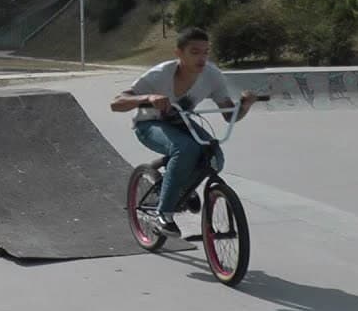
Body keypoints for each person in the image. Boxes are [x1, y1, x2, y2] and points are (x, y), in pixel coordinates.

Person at [110, 26, 258, 235]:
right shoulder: (160, 74)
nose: (202, 58)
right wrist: (148, 98)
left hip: (182, 122)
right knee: (185, 148)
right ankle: (164, 214)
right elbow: (116, 103)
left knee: (215, 158)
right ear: (179, 53)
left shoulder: (212, 75)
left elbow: (229, 115)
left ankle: (180, 185)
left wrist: (244, 105)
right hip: (148, 125)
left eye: (206, 52)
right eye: (194, 52)